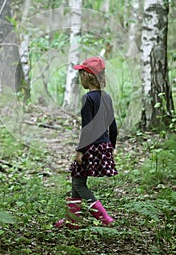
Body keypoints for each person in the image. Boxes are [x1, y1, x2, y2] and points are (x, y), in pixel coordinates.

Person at [55, 56, 118, 229]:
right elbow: (113, 126)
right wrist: (111, 147)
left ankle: (105, 217)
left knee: (78, 183)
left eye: (81, 74)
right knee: (77, 178)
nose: (79, 78)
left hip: (90, 146)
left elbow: (87, 128)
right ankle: (71, 220)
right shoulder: (106, 98)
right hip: (103, 145)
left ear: (87, 77)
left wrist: (80, 150)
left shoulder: (87, 99)